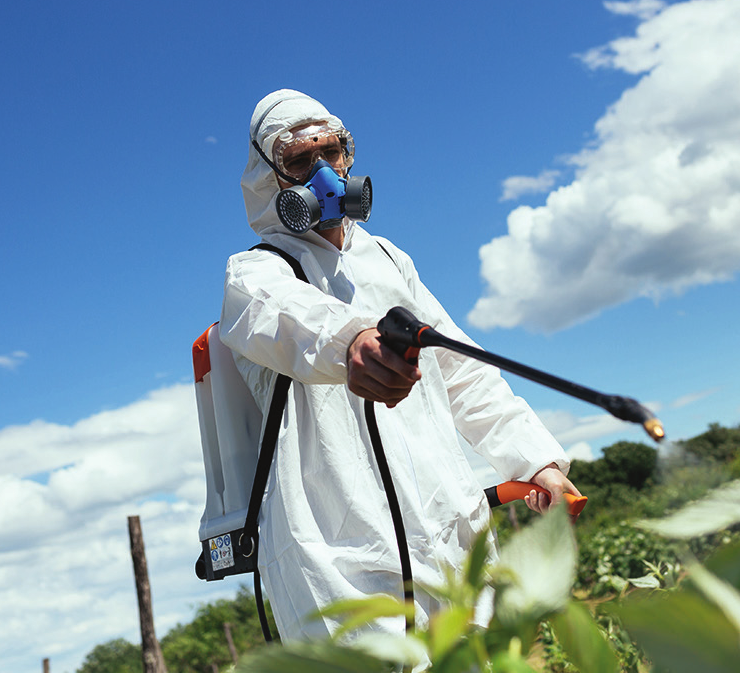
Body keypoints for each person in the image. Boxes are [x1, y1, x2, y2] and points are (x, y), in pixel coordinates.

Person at [219, 89, 577, 641]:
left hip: (447, 531)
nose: (324, 172)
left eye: (332, 152)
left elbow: (464, 369)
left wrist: (533, 461)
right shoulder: (255, 274)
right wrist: (352, 342)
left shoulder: (388, 258)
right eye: (299, 161)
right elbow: (288, 320)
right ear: (271, 178)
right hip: (340, 558)